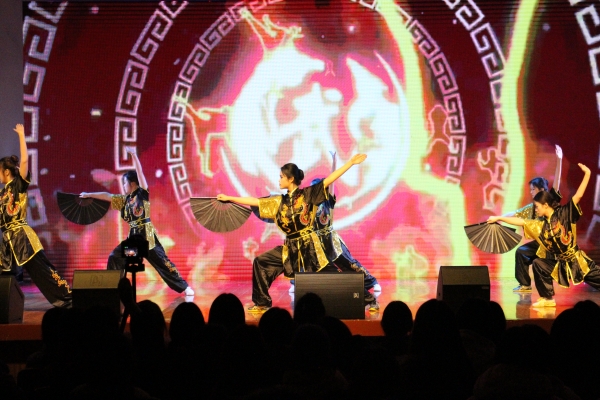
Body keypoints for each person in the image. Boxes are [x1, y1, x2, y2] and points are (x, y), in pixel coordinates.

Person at [217, 154, 367, 313]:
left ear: (291, 179)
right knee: (261, 262)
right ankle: (262, 303)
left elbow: (329, 180)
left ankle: (367, 298)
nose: (279, 180)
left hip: (310, 249)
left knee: (333, 277)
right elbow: (255, 201)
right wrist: (229, 198)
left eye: (281, 177)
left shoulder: (308, 194)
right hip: (290, 249)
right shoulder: (278, 201)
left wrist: (350, 162)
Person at [80, 148, 193, 296]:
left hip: (147, 240)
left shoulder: (142, 194)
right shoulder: (124, 201)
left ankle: (185, 288)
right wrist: (88, 194)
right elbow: (107, 195)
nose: (124, 186)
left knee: (163, 263)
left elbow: (140, 173)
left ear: (133, 184)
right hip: (133, 243)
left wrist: (133, 155)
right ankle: (113, 288)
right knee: (114, 257)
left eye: (125, 183)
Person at [488, 163, 600, 307]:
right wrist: (499, 218)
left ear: (546, 205)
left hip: (577, 262)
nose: (535, 210)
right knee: (539, 263)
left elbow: (578, 195)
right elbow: (521, 221)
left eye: (537, 207)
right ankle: (547, 299)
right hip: (560, 263)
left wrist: (587, 174)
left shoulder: (564, 213)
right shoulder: (541, 226)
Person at [0, 124, 71, 307]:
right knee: (4, 274)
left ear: (6, 171)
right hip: (8, 240)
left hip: (22, 237)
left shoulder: (18, 185)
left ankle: (67, 297)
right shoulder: (2, 194)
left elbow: (24, 161)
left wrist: (21, 135)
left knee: (42, 271)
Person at [505, 145, 563, 292]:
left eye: (533, 189)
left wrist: (559, 160)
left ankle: (547, 293)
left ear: (542, 190)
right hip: (539, 244)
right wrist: (498, 218)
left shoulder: (551, 201)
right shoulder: (532, 208)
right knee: (521, 252)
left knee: (541, 263)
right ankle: (525, 284)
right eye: (530, 189)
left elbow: (556, 183)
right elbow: (516, 213)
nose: (531, 192)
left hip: (551, 244)